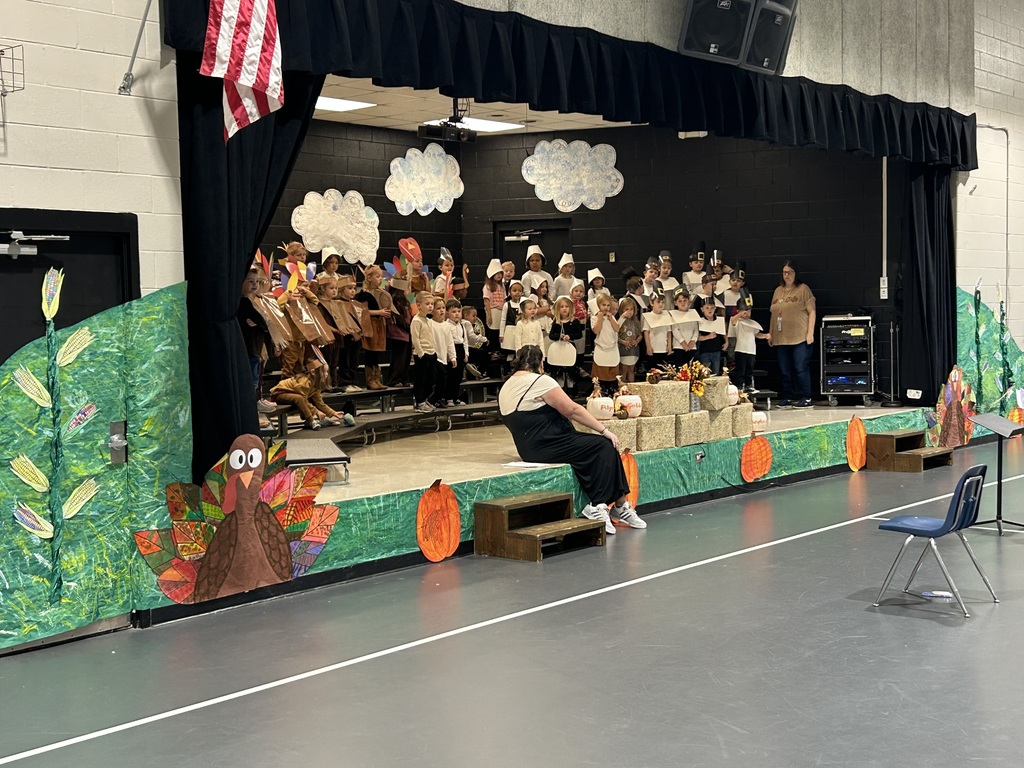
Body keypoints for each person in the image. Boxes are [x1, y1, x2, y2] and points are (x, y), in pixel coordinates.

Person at [498, 345, 646, 534]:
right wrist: (604, 430)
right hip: (546, 443)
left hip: (529, 446)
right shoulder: (540, 381)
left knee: (596, 447)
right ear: (541, 362)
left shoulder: (507, 384)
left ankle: (619, 505)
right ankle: (598, 504)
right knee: (603, 445)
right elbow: (572, 410)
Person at [769, 259, 817, 408]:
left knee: (800, 367)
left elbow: (812, 311)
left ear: (796, 273)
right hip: (781, 337)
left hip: (800, 337)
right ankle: (787, 397)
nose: (787, 275)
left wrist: (810, 333)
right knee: (784, 370)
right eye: (784, 272)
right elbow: (773, 314)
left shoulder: (803, 289)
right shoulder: (778, 291)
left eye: (790, 272)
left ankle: (806, 397)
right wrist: (770, 333)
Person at [270, 356, 347, 431]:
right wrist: (316, 412)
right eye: (323, 371)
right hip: (279, 393)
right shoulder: (304, 383)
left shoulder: (316, 385)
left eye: (327, 371)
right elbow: (303, 400)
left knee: (304, 399)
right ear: (313, 372)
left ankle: (318, 420)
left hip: (292, 395)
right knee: (299, 398)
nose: (326, 374)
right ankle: (311, 420)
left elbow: (320, 403)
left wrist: (333, 413)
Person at [356, 264, 393, 391]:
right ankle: (370, 379)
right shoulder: (364, 294)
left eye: (381, 277)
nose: (380, 279)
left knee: (377, 353)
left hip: (379, 326)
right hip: (370, 325)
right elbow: (362, 311)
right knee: (370, 353)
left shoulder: (382, 293)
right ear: (369, 278)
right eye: (377, 276)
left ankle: (377, 378)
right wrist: (379, 312)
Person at [729, 294, 769, 392]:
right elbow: (733, 321)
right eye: (745, 311)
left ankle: (748, 385)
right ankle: (738, 386)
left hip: (751, 350)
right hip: (741, 349)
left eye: (749, 311)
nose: (747, 314)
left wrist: (765, 336)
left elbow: (756, 334)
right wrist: (740, 314)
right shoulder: (737, 321)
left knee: (749, 370)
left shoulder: (752, 323)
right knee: (740, 369)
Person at [410, 290, 438, 412]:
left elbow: (430, 337)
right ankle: (419, 402)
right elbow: (415, 339)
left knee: (431, 379)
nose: (430, 306)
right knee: (421, 380)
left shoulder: (428, 320)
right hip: (422, 355)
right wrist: (421, 353)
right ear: (419, 305)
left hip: (431, 353)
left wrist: (434, 351)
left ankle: (425, 399)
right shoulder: (416, 321)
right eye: (427, 304)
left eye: (432, 304)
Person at [547, 295, 583, 387]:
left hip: (569, 347)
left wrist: (569, 336)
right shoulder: (556, 321)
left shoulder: (574, 321)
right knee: (559, 367)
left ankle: (571, 388)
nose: (564, 309)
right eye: (562, 307)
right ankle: (560, 386)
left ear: (570, 308)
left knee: (570, 368)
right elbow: (551, 335)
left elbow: (579, 334)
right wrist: (559, 336)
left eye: (566, 306)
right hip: (558, 348)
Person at [591, 293, 620, 396]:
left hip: (612, 349)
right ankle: (600, 392)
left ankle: (612, 391)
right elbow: (596, 330)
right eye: (604, 305)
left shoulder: (612, 317)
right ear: (598, 305)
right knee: (600, 373)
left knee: (612, 372)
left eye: (608, 305)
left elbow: (617, 329)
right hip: (601, 348)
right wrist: (600, 318)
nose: (606, 308)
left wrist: (611, 318)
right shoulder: (594, 318)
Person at [430, 297, 457, 407]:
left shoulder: (446, 325)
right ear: (432, 311)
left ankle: (439, 398)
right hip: (433, 357)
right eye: (438, 308)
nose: (441, 310)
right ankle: (432, 399)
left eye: (443, 308)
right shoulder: (430, 324)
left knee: (443, 379)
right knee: (436, 379)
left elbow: (450, 342)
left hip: (443, 357)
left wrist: (453, 356)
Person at [386, 281, 413, 386]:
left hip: (406, 334)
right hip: (398, 334)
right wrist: (408, 328)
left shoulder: (405, 302)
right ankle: (395, 379)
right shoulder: (395, 302)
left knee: (406, 358)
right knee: (398, 359)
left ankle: (404, 379)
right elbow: (398, 319)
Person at [444, 299, 469, 406]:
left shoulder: (462, 325)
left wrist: (466, 353)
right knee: (451, 376)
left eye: (458, 311)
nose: (457, 314)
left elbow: (465, 340)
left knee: (459, 376)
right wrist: (448, 354)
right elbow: (446, 342)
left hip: (460, 350)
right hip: (451, 350)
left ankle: (455, 397)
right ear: (447, 313)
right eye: (453, 312)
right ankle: (448, 397)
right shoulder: (446, 325)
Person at [642, 292, 674, 371]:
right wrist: (648, 346)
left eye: (663, 302)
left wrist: (669, 346)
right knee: (653, 371)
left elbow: (669, 332)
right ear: (651, 303)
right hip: (653, 348)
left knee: (664, 371)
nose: (661, 304)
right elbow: (646, 332)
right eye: (658, 302)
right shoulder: (648, 316)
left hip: (663, 348)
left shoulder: (666, 315)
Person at [696, 295, 728, 374]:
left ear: (715, 308)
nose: (709, 310)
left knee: (715, 372)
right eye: (707, 308)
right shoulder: (700, 321)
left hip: (716, 351)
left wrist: (726, 342)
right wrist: (708, 337)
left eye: (712, 307)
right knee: (705, 373)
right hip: (704, 351)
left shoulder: (719, 320)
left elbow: (723, 332)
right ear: (702, 309)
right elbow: (697, 337)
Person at [670, 288, 699, 366]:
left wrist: (693, 341)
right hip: (679, 346)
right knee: (680, 370)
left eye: (685, 300)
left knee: (691, 370)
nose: (683, 303)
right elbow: (675, 329)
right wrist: (683, 342)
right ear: (675, 303)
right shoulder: (674, 314)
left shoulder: (693, 313)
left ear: (689, 301)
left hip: (691, 346)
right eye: (680, 301)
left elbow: (696, 329)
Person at [617, 296, 642, 382]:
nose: (629, 312)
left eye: (631, 309)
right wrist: (623, 342)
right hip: (623, 349)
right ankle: (623, 388)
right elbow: (615, 335)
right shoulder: (620, 321)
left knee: (631, 370)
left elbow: (640, 335)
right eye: (626, 309)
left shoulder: (636, 321)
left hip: (633, 350)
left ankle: (632, 387)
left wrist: (636, 340)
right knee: (623, 370)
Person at [460, 304, 489, 379]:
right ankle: (482, 373)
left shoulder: (460, 323)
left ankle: (469, 367)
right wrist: (484, 339)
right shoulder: (467, 323)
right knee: (482, 353)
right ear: (466, 315)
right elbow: (472, 336)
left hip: (462, 348)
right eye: (474, 316)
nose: (476, 318)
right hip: (468, 348)